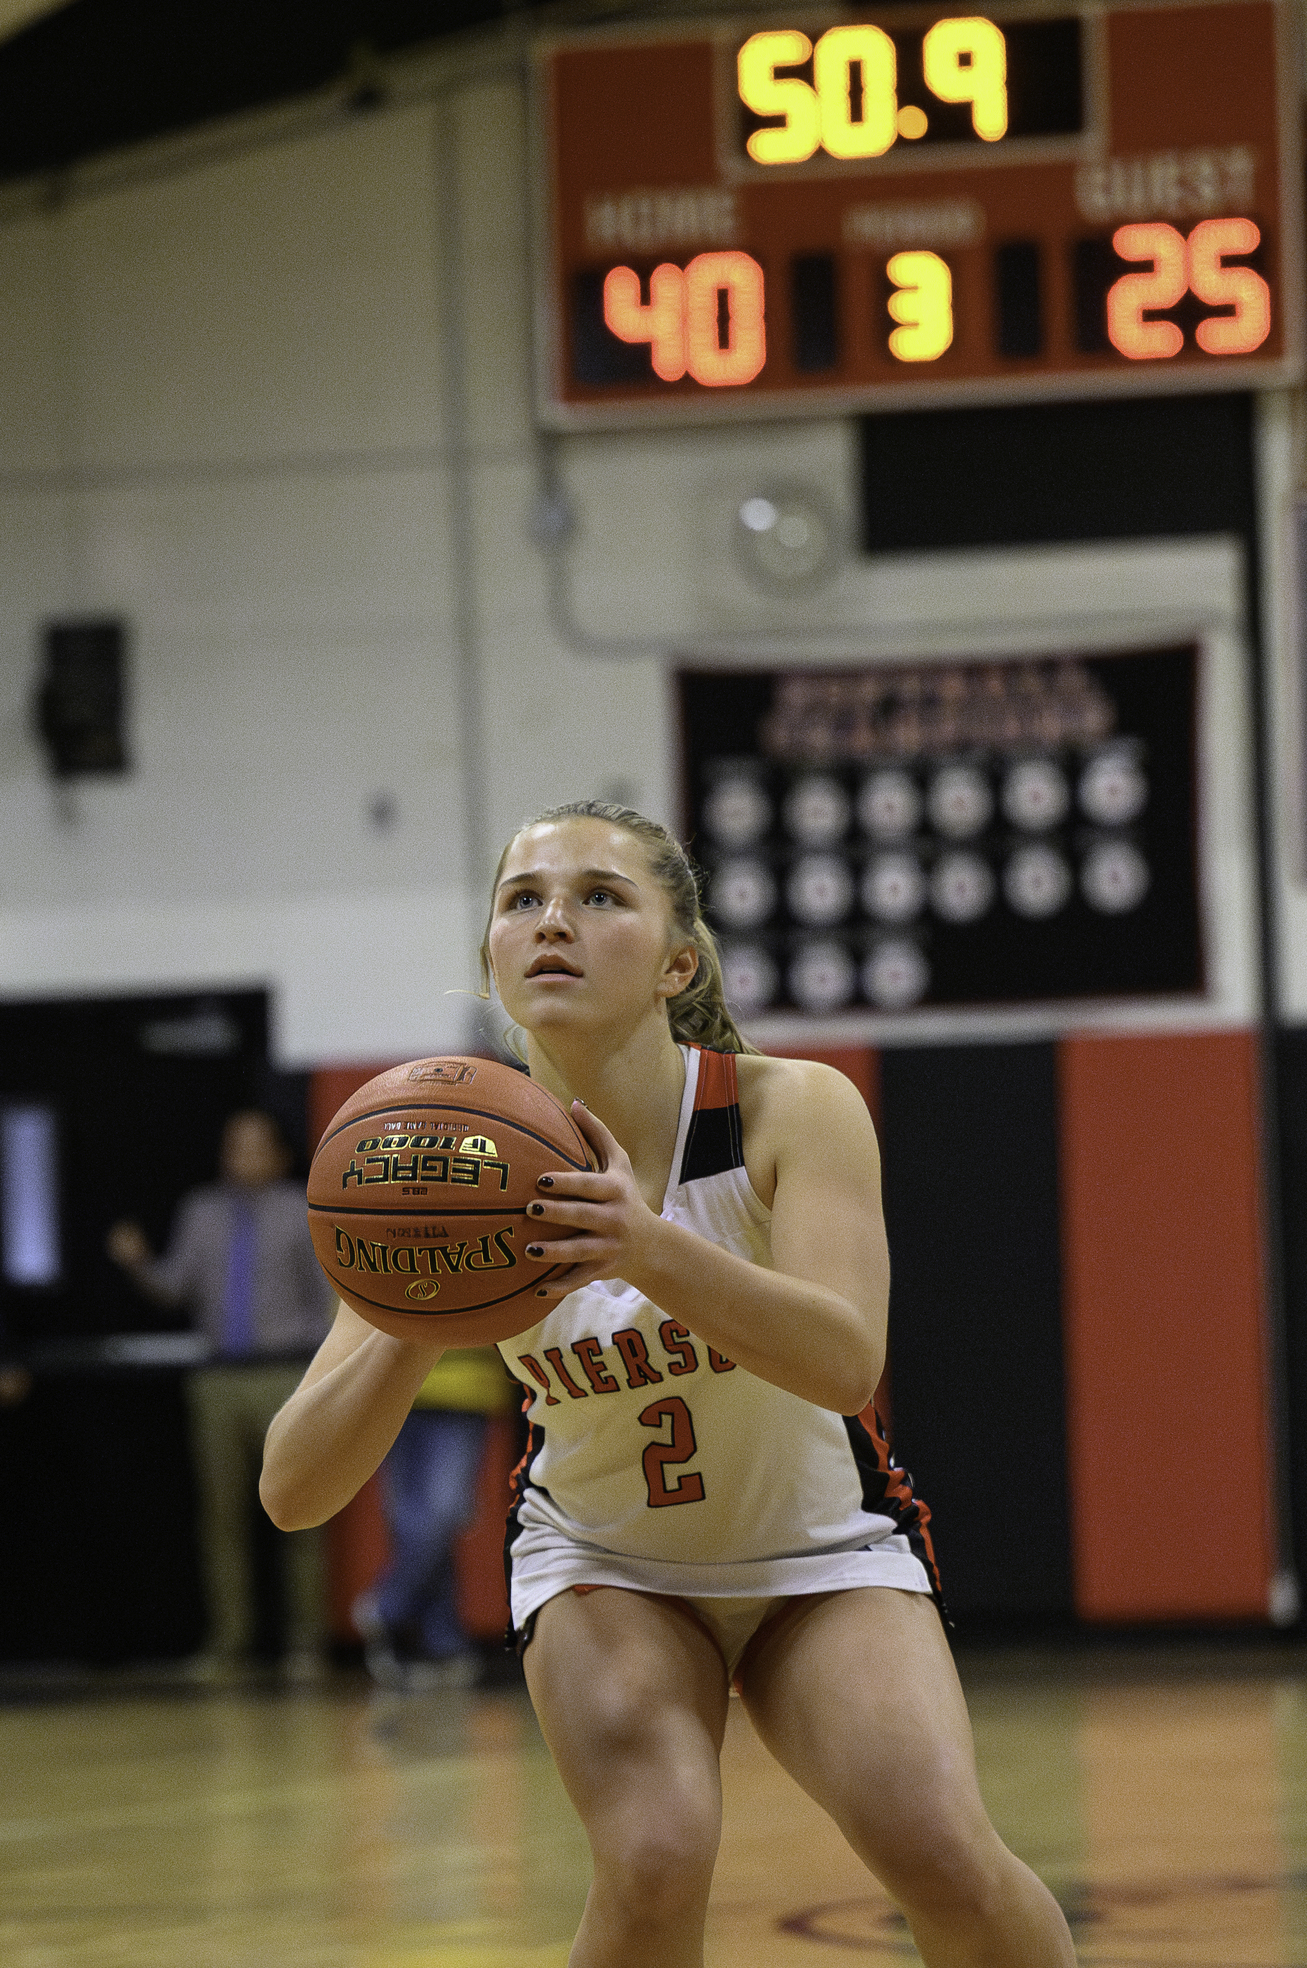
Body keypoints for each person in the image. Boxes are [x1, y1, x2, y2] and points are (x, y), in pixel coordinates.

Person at [261, 800, 1076, 1968]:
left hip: (819, 1553)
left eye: (600, 895)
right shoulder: (444, 1154)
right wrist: (417, 1304)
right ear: (492, 958)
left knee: (938, 1846)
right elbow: (294, 1488)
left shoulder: (786, 1108)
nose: (554, 921)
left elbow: (847, 1360)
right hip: (608, 1564)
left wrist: (646, 1245)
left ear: (677, 961)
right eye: (523, 899)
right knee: (653, 1856)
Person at [109, 1107, 333, 1680]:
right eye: (235, 1146)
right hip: (215, 1377)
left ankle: (305, 1646)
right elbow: (173, 1289)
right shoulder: (201, 1211)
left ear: (280, 1155)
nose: (244, 1158)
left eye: (257, 1147)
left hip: (286, 1375)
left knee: (300, 1511)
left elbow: (328, 1300)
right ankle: (229, 1645)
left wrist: (319, 1365)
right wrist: (139, 1265)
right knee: (221, 1517)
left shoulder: (302, 1207)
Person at [352, 1346, 513, 1690]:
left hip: (463, 1385)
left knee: (445, 1510)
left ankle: (386, 1606)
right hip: (390, 1384)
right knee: (408, 1520)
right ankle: (444, 1643)